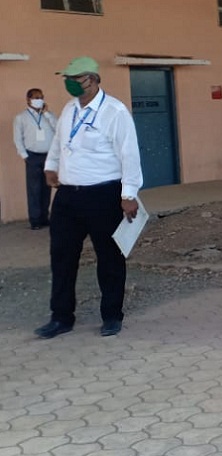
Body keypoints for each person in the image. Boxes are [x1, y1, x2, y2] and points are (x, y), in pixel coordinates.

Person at [35, 56, 142, 340]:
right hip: (68, 195)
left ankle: (111, 316)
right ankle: (60, 317)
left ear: (92, 80)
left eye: (75, 78)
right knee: (61, 257)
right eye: (66, 78)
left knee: (109, 258)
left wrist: (129, 194)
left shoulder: (115, 112)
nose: (69, 83)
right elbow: (59, 142)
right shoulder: (69, 109)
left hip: (103, 194)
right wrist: (50, 167)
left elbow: (129, 154)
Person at [13, 88, 58, 230]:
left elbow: (58, 128)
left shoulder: (48, 115)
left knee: (47, 188)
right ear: (28, 99)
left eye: (41, 97)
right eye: (36, 97)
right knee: (34, 189)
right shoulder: (21, 117)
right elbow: (17, 138)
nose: (39, 100)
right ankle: (35, 220)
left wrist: (47, 114)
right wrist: (25, 156)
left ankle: (44, 217)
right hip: (32, 155)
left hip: (48, 156)